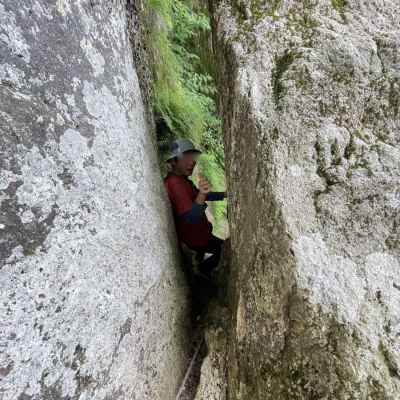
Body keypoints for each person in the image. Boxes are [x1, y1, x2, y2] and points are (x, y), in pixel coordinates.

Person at [164, 138, 226, 276]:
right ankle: (201, 272)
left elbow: (200, 196)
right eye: (185, 159)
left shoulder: (181, 180)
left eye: (193, 158)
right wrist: (202, 195)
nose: (191, 163)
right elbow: (191, 218)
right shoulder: (176, 185)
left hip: (200, 236)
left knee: (223, 249)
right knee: (226, 251)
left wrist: (225, 194)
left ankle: (201, 266)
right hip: (195, 240)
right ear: (173, 162)